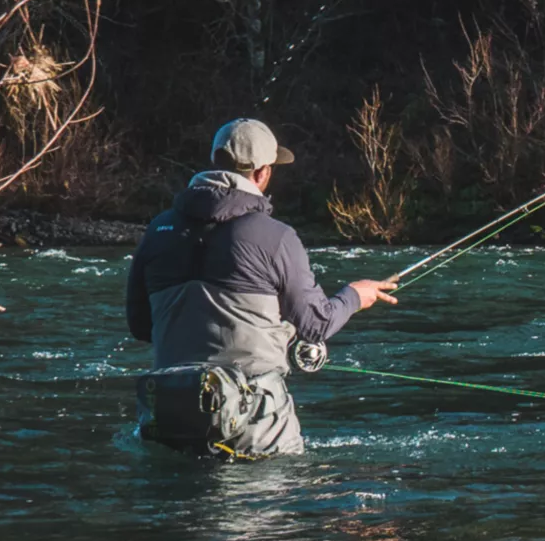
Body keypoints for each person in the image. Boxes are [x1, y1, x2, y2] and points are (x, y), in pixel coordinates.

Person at [125, 118, 396, 458]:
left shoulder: (157, 230)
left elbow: (140, 325)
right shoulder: (275, 236)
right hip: (256, 424)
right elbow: (317, 325)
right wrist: (356, 295)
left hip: (171, 416)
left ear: (216, 161)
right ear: (263, 172)